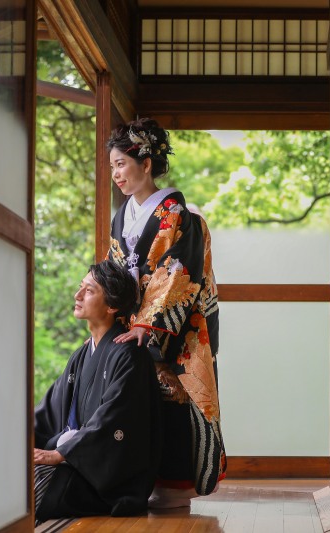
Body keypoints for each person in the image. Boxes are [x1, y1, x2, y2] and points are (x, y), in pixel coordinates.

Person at [104, 118, 226, 508]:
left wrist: (148, 322)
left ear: (146, 163)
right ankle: (135, 478)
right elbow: (115, 268)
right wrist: (108, 306)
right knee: (134, 399)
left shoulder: (180, 216)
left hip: (174, 330)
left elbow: (180, 273)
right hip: (133, 322)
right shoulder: (122, 217)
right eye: (112, 166)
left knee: (173, 399)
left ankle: (175, 486)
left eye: (121, 164)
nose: (116, 174)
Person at [33, 260, 162, 522]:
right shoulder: (81, 356)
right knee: (9, 475)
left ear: (112, 306)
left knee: (29, 494)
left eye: (89, 291)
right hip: (74, 463)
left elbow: (114, 419)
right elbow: (49, 411)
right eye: (80, 287)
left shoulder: (130, 356)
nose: (77, 295)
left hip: (106, 480)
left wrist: (61, 453)